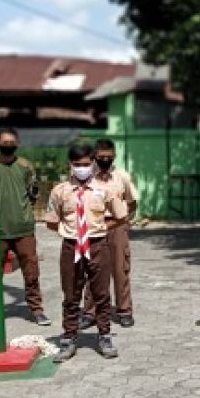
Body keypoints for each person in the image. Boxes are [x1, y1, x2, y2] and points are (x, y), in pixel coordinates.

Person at [44, 143, 128, 363]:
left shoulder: (104, 189)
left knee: (101, 294)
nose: (82, 168)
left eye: (86, 164)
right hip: (71, 246)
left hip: (97, 245)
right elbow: (51, 221)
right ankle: (69, 338)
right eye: (77, 164)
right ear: (70, 165)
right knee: (71, 295)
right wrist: (71, 232)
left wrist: (100, 228)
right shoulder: (60, 191)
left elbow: (121, 216)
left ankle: (104, 336)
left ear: (92, 163)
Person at [0, 127, 49, 326]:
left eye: (11, 142)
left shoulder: (25, 166)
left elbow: (33, 193)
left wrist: (23, 212)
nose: (8, 146)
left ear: (18, 143)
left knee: (31, 271)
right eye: (4, 142)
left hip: (23, 229)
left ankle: (36, 309)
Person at [79, 139, 139, 328]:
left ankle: (124, 310)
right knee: (93, 269)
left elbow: (132, 202)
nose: (105, 159)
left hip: (117, 227)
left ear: (114, 156)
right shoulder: (87, 177)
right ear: (94, 156)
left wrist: (122, 218)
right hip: (94, 226)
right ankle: (90, 312)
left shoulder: (122, 176)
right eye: (101, 156)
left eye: (109, 156)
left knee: (120, 269)